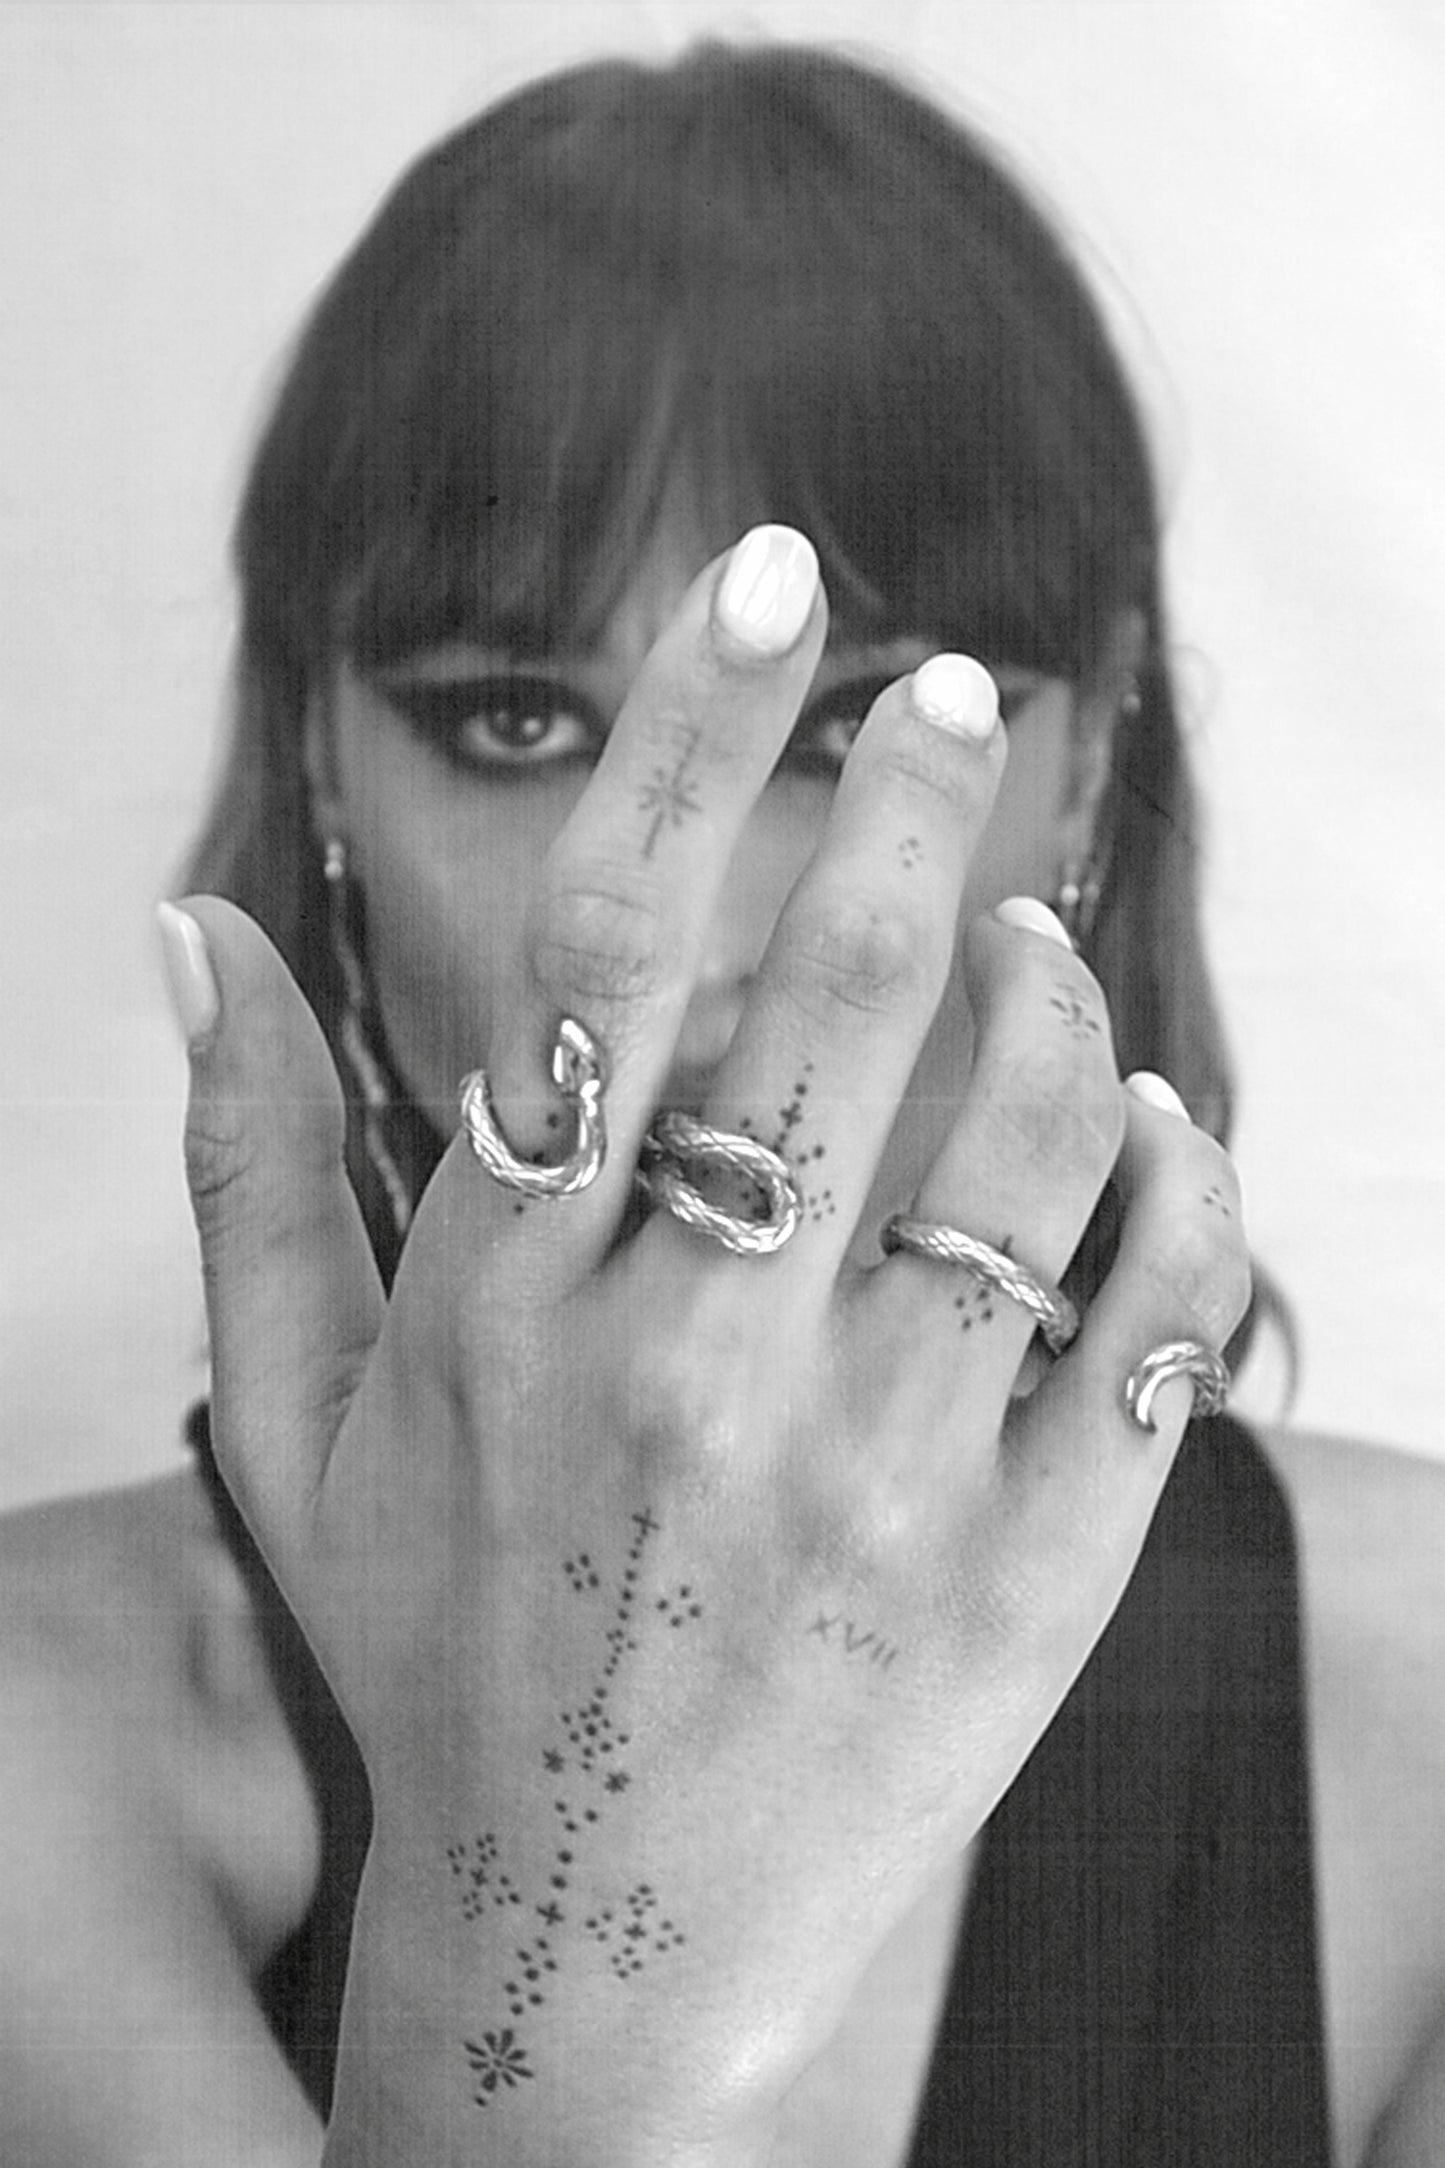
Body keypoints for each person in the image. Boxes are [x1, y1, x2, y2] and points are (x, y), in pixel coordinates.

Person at [2, 38, 1443, 2168]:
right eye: (508, 716)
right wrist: (571, 2007)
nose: (684, 932)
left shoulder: (1420, 1715)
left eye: (871, 721)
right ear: (320, 760)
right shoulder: (45, 1754)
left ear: (1093, 736)